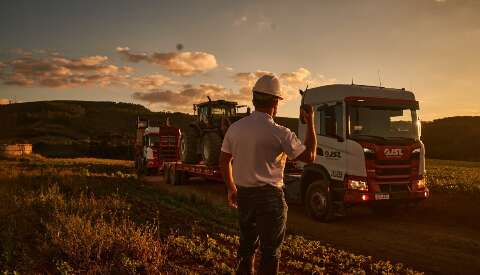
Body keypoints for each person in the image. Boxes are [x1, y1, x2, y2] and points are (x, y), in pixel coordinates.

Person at [219, 74, 317, 275]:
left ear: (254, 99)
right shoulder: (281, 133)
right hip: (270, 198)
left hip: (244, 195)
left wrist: (231, 188)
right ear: (275, 102)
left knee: (246, 248)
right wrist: (311, 122)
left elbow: (224, 160)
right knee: (270, 252)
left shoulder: (235, 129)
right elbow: (310, 156)